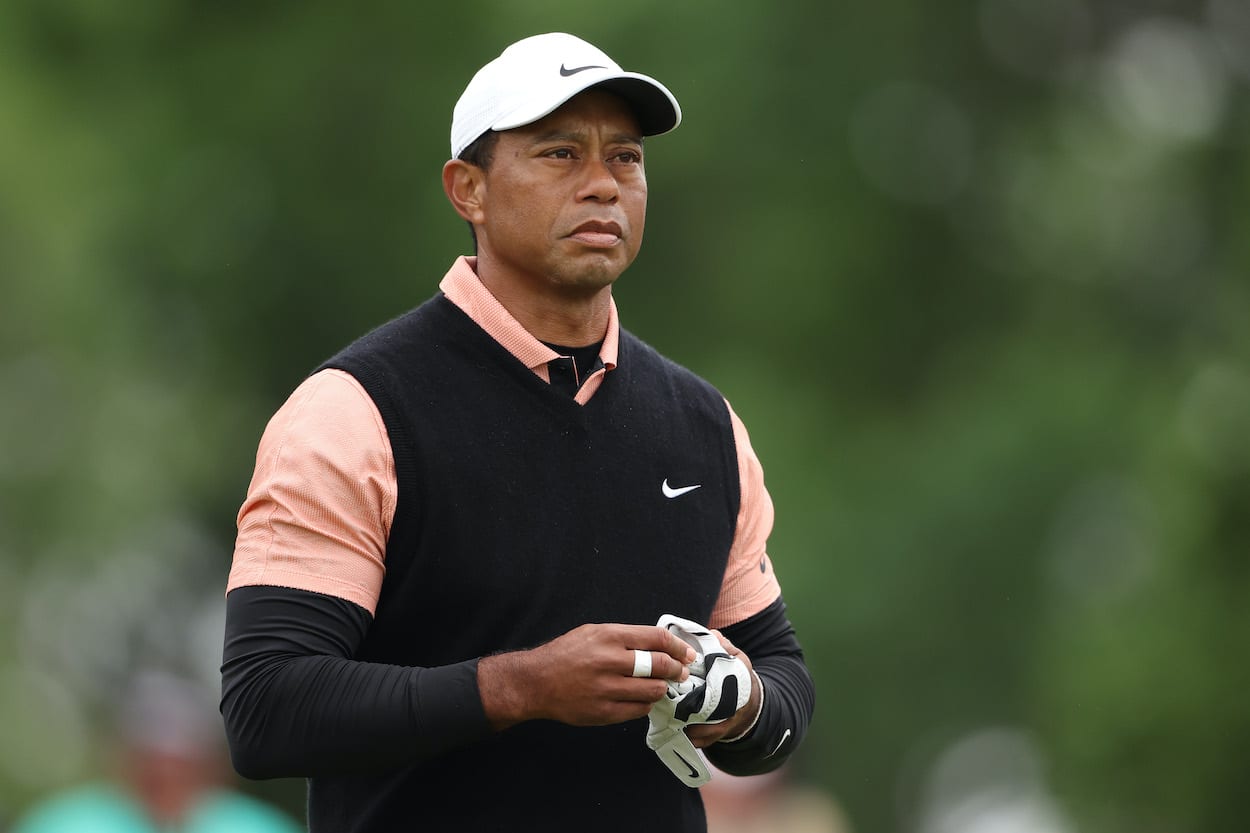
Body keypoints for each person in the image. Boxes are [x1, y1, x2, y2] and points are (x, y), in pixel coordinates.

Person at [220, 32, 816, 832]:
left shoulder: (703, 425)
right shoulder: (355, 409)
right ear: (468, 189)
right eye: (560, 154)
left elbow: (783, 682)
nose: (603, 185)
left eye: (626, 159)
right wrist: (518, 687)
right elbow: (266, 707)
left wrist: (742, 707)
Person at [11, 671, 301, 833]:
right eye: (153, 761)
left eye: (182, 763)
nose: (167, 774)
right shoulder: (63, 824)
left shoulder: (257, 827)